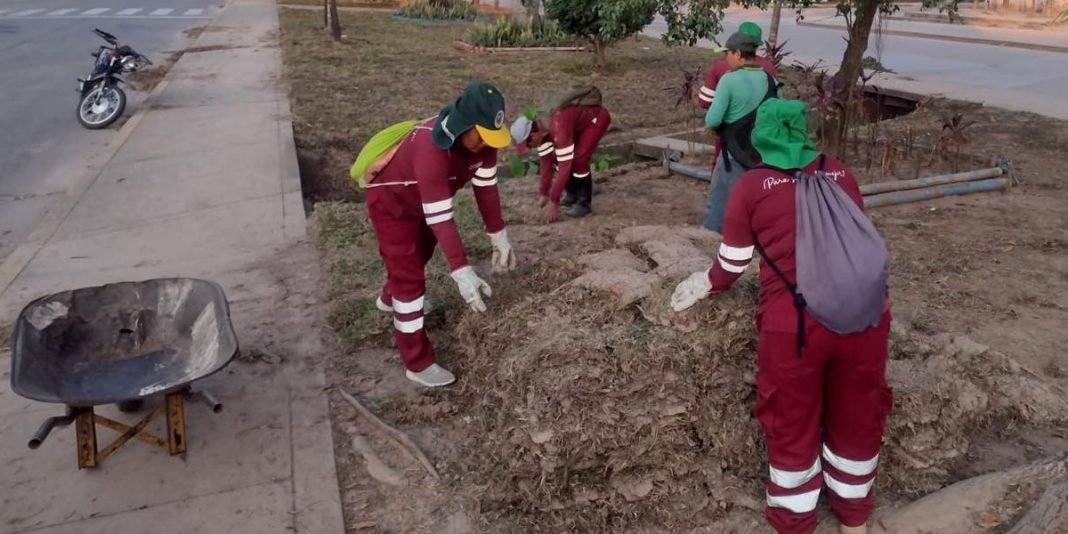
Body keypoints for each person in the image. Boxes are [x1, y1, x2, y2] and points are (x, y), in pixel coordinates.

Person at [671, 99, 893, 534]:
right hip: (865, 318)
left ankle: (795, 521)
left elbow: (733, 263)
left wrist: (704, 284)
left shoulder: (752, 187)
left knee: (791, 420)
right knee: (858, 415)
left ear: (760, 137)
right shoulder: (840, 172)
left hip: (795, 326)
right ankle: (854, 520)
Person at [365, 81, 518, 387]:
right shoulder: (431, 149)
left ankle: (388, 298)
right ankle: (417, 362)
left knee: (421, 253)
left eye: (492, 137)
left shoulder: (485, 145)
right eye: (481, 136)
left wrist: (498, 235)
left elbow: (487, 189)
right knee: (409, 279)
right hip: (393, 205)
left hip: (425, 202)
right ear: (464, 124)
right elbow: (442, 218)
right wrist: (462, 271)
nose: (486, 144)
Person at [702, 31, 779, 234]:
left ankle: (712, 241)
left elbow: (712, 120)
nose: (725, 58)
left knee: (719, 207)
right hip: (763, 156)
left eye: (727, 53)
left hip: (733, 157)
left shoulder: (729, 80)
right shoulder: (770, 80)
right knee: (755, 205)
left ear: (737, 54)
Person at [509, 89, 612, 222]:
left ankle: (584, 203)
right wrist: (544, 193)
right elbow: (546, 163)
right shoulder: (542, 130)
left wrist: (554, 201)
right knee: (557, 159)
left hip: (596, 120)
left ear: (533, 136)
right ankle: (572, 194)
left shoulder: (557, 126)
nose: (530, 148)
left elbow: (565, 167)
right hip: (578, 124)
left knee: (579, 160)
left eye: (528, 144)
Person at [696, 22, 777, 111]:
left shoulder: (719, 65)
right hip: (761, 117)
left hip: (728, 117)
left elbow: (704, 102)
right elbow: (773, 98)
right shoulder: (768, 66)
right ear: (757, 46)